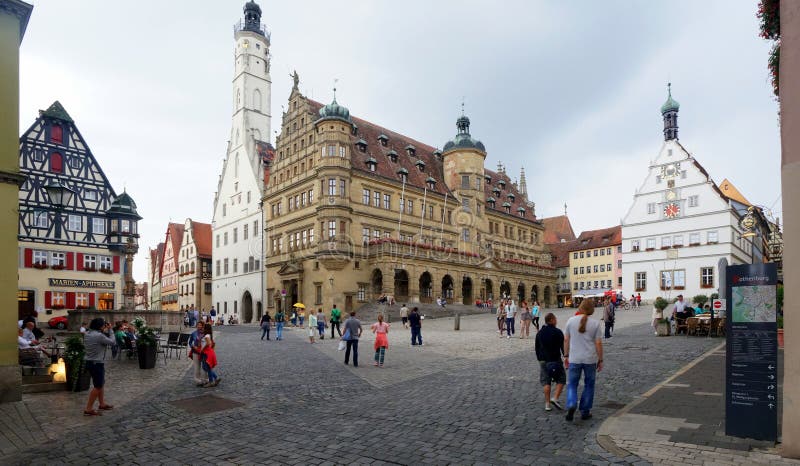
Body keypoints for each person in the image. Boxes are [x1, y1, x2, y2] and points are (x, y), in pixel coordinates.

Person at [564, 299, 604, 421]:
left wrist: (566, 355)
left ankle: (571, 404)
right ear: (592, 309)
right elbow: (598, 344)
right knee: (589, 385)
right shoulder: (595, 323)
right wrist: (600, 359)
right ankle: (585, 411)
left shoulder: (571, 321)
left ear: (580, 307)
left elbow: (566, 340)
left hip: (574, 358)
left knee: (572, 384)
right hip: (589, 359)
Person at [83, 318, 115, 416]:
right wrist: (111, 330)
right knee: (98, 386)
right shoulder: (99, 336)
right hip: (97, 363)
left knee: (101, 383)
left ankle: (102, 404)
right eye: (103, 325)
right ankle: (88, 408)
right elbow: (112, 342)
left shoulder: (87, 333)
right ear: (100, 326)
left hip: (90, 361)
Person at [536, 312, 566, 411]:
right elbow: (563, 347)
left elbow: (537, 347)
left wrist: (540, 359)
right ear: (552, 320)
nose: (556, 321)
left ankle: (547, 404)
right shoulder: (558, 332)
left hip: (543, 360)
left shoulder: (540, 333)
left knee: (546, 382)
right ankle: (555, 397)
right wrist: (566, 357)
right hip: (555, 360)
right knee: (561, 378)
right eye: (555, 319)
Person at [187, 321, 208, 386]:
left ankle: (205, 379)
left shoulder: (205, 333)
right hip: (196, 352)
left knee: (204, 366)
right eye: (198, 325)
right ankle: (198, 380)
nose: (199, 326)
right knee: (197, 366)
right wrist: (192, 346)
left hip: (204, 352)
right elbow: (190, 342)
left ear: (203, 326)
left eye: (200, 325)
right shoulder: (193, 333)